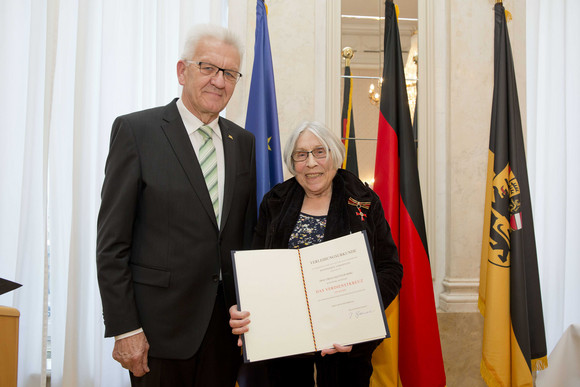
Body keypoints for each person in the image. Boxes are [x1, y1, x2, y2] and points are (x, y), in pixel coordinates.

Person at [96, 24, 257, 386]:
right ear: (182, 71)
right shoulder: (137, 132)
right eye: (208, 67)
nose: (219, 81)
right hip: (157, 334)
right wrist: (125, 328)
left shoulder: (242, 143)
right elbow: (112, 244)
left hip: (225, 335)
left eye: (229, 73)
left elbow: (244, 238)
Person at [230, 121, 403, 387]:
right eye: (301, 154)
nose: (311, 163)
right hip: (284, 344)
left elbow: (390, 270)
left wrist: (359, 321)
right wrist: (247, 310)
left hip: (346, 345)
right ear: (292, 162)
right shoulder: (274, 202)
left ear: (334, 154)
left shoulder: (364, 202)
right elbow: (257, 270)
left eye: (319, 152)